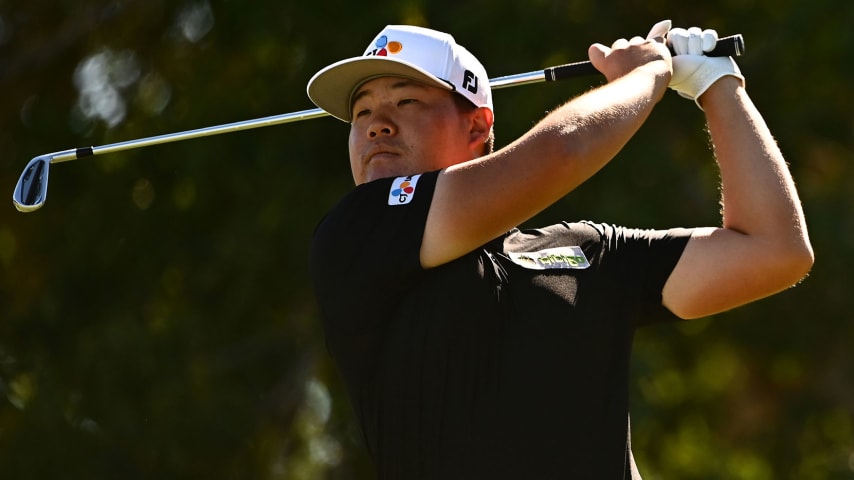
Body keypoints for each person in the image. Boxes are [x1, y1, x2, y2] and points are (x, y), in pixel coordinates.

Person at [306, 21, 813, 479]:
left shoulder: (587, 251)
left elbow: (774, 249)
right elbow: (562, 150)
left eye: (406, 101)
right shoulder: (358, 233)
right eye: (362, 111)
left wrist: (718, 85)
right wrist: (644, 77)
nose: (377, 124)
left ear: (478, 126)